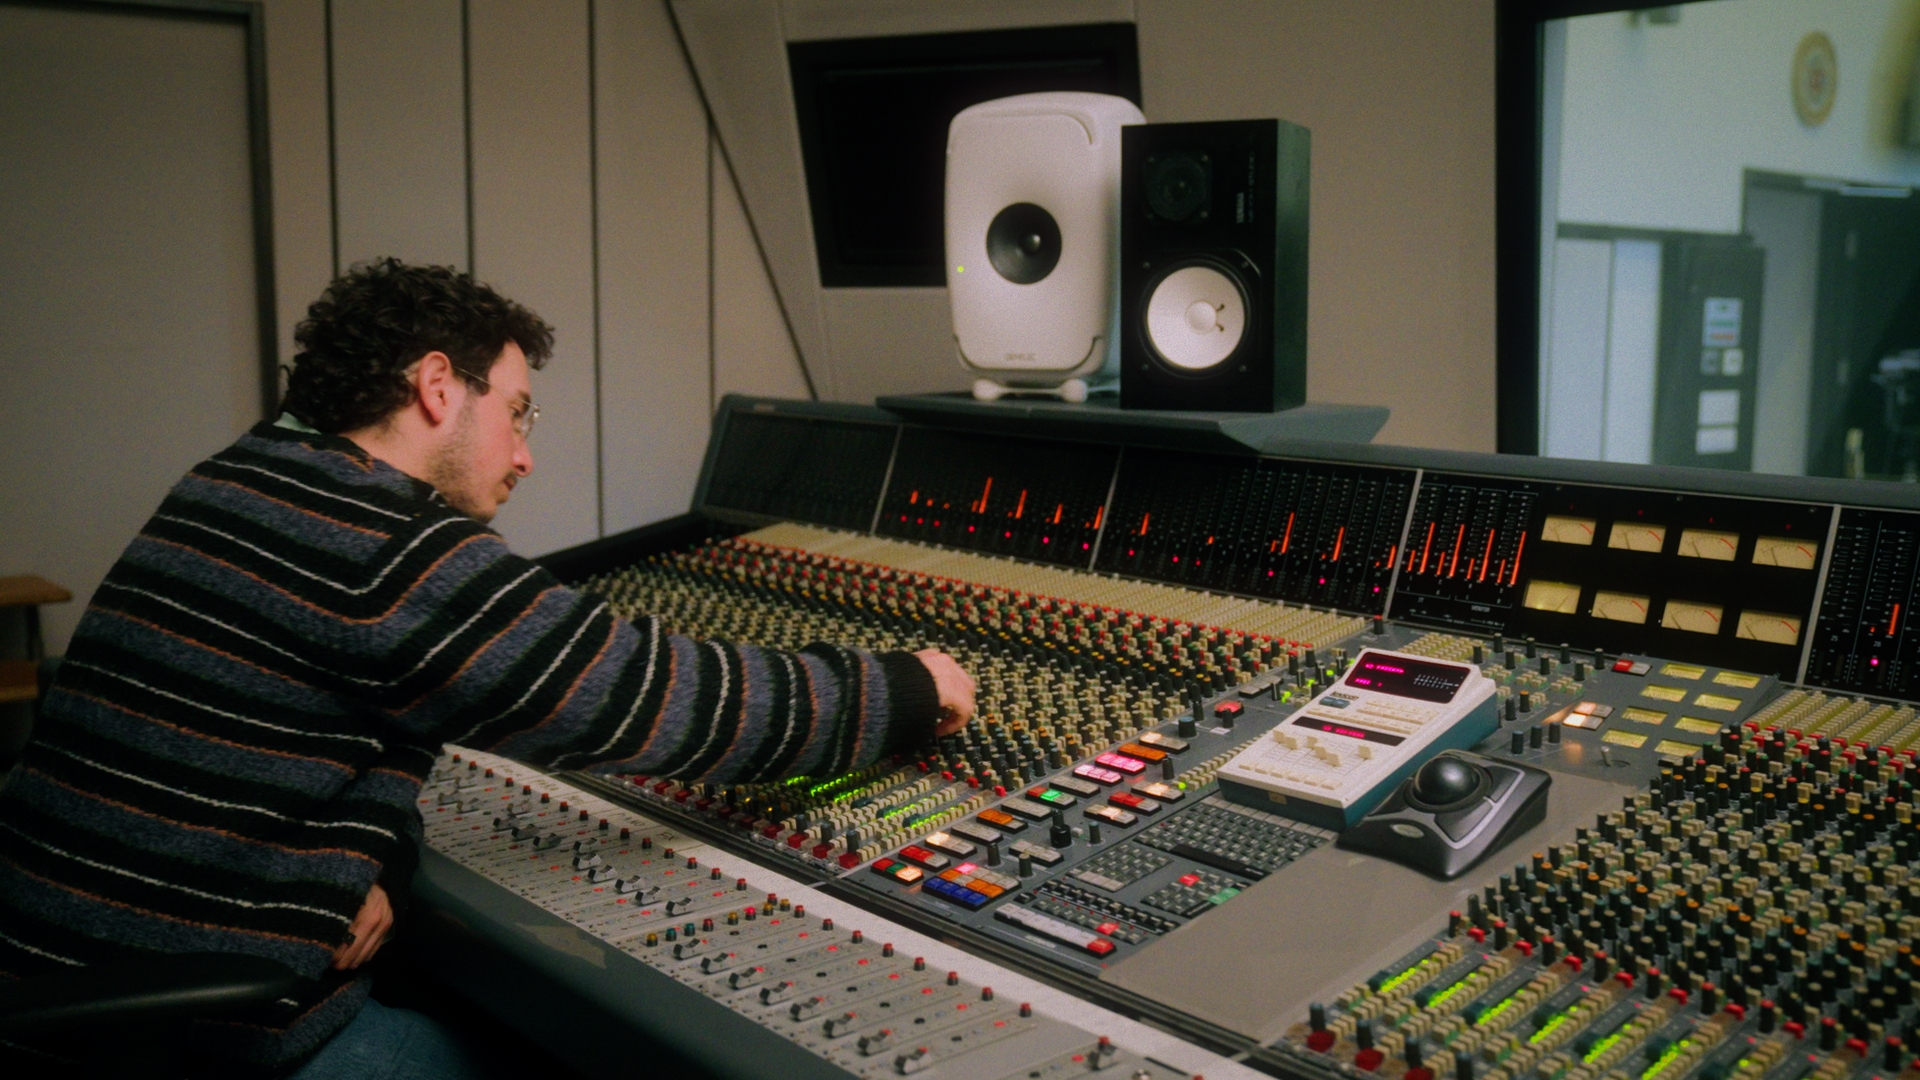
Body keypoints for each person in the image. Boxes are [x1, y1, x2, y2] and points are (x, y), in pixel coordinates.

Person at [0, 259, 975, 1077]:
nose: (523, 454)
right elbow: (659, 701)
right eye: (517, 411)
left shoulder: (238, 476)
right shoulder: (387, 546)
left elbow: (318, 727)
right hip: (189, 1033)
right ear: (437, 386)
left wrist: (381, 857)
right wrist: (901, 689)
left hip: (53, 973)